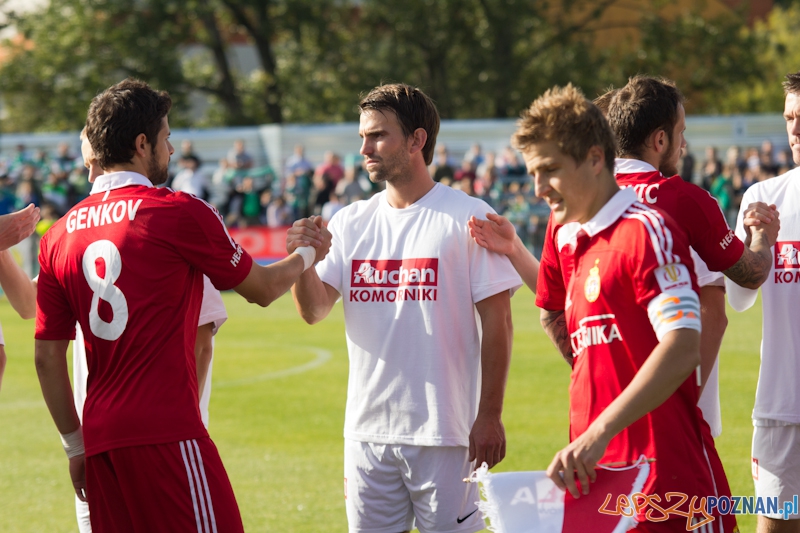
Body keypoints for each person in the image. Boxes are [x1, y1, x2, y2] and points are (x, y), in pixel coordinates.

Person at [34, 78, 330, 533]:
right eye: (166, 138)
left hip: (100, 440)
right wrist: (308, 253)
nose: (170, 150)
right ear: (141, 143)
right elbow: (264, 288)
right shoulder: (176, 211)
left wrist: (75, 447)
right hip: (166, 432)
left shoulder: (59, 235)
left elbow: (47, 356)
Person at [472, 76, 779, 440]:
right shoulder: (681, 204)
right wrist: (763, 236)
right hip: (674, 426)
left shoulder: (568, 210)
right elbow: (731, 294)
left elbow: (555, 308)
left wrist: (599, 373)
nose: (684, 144)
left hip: (595, 418)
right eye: (680, 132)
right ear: (659, 139)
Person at [287, 83, 521, 533]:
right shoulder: (352, 220)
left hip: (447, 435)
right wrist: (304, 261)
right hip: (367, 434)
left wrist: (489, 414)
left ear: (417, 140)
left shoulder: (466, 215)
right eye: (362, 137)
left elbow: (500, 322)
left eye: (378, 136)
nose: (365, 148)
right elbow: (315, 310)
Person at [519, 83, 737, 532]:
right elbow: (560, 322)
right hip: (597, 474)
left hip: (665, 480)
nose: (538, 188)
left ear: (596, 159)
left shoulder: (647, 231)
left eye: (550, 170)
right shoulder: (567, 239)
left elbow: (682, 346)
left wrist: (599, 433)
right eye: (533, 173)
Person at [0, 131, 227, 532]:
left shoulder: (80, 230)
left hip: (119, 437)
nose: (89, 175)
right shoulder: (172, 218)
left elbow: (201, 342)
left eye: (92, 163)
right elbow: (27, 305)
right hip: (137, 437)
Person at [726, 70, 800, 533]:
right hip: (781, 409)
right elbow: (738, 298)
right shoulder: (764, 199)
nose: (796, 128)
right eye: (790, 117)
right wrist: (758, 243)